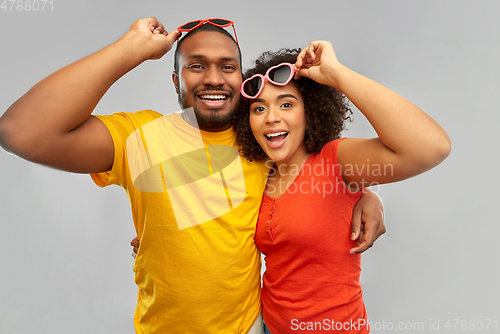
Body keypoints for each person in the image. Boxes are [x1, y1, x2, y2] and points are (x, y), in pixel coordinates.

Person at [0, 18, 386, 333]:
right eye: (196, 65)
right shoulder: (141, 137)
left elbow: (321, 172)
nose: (214, 78)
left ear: (242, 80)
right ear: (176, 81)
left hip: (250, 326)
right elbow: (21, 132)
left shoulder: (263, 140)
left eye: (228, 67)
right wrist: (127, 50)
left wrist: (365, 195)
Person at [233, 44, 451, 334]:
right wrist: (368, 195)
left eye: (286, 104)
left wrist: (337, 74)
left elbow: (431, 147)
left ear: (309, 110)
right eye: (259, 108)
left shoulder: (335, 160)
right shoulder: (260, 171)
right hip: (269, 326)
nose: (271, 117)